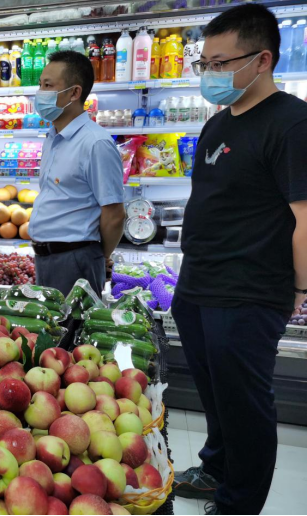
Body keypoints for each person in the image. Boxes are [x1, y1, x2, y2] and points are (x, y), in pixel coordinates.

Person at [172, 5, 307, 515]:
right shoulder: (218, 125)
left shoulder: (292, 124)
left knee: (245, 404)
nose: (209, 73)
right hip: (199, 282)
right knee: (215, 392)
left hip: (249, 290)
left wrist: (299, 290)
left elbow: (305, 217)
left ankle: (239, 504)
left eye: (220, 63)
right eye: (204, 63)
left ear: (262, 60)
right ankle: (216, 468)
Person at [28, 50, 125, 296]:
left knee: (69, 321)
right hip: (47, 258)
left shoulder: (95, 143)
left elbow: (114, 214)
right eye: (40, 85)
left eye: (48, 86)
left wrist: (97, 256)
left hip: (74, 260)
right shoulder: (53, 137)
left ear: (74, 93)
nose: (40, 93)